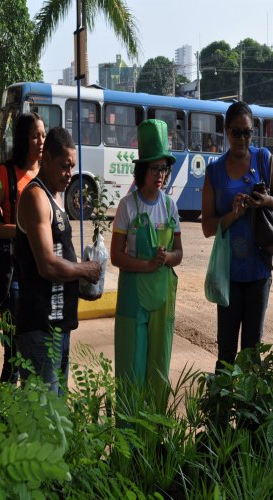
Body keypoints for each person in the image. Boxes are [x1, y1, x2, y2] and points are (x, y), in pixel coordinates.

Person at [201, 101, 273, 370]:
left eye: (247, 132)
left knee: (252, 352)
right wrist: (232, 215)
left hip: (259, 272)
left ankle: (247, 411)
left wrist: (265, 201)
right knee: (226, 352)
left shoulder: (264, 159)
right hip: (228, 273)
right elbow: (207, 227)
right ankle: (219, 412)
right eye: (236, 132)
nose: (242, 138)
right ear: (226, 132)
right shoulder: (214, 172)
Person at [14, 127, 101, 394]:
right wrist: (84, 270)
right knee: (44, 419)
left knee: (56, 416)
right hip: (39, 327)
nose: (69, 174)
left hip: (59, 325)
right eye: (64, 166)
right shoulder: (35, 197)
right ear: (46, 159)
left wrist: (79, 280)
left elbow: (62, 254)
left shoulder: (55, 197)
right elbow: (48, 264)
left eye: (72, 166)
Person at [110, 119, 183, 407]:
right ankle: (127, 444)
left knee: (158, 370)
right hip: (132, 301)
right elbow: (116, 256)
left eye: (163, 169)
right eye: (154, 168)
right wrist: (147, 265)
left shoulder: (170, 206)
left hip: (162, 301)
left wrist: (167, 259)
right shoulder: (127, 206)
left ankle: (153, 442)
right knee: (131, 370)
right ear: (142, 170)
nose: (160, 175)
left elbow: (180, 252)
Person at [0, 112, 45, 383]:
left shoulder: (46, 172)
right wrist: (18, 232)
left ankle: (29, 417)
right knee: (15, 355)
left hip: (42, 273)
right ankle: (6, 418)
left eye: (43, 135)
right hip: (15, 277)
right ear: (23, 140)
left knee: (37, 352)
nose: (41, 141)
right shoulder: (4, 174)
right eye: (35, 136)